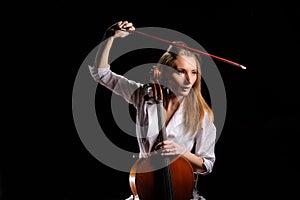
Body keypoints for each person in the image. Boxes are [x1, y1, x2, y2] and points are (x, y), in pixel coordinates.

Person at [89, 21, 216, 200]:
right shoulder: (144, 95)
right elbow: (101, 74)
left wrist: (181, 152)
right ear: (163, 73)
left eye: (194, 72)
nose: (189, 80)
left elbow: (207, 166)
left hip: (181, 192)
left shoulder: (202, 114)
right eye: (181, 72)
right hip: (146, 188)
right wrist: (109, 38)